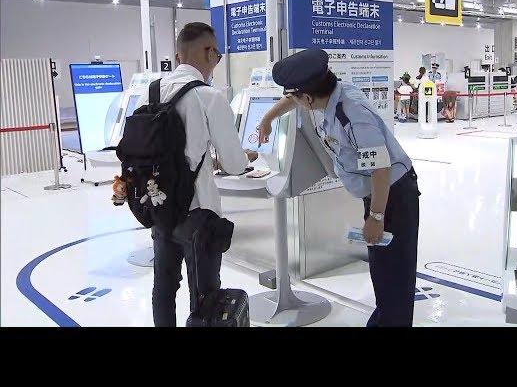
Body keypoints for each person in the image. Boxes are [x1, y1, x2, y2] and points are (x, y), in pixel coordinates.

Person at [257, 49, 420, 327]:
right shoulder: (330, 94)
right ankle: (386, 318)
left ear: (307, 98)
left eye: (297, 98)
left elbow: (379, 168)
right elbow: (290, 99)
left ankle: (393, 320)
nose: (294, 101)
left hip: (393, 196)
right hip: (378, 194)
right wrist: (267, 119)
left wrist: (376, 217)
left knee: (395, 276)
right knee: (382, 273)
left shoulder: (351, 114)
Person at [136, 22, 258, 327]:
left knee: (163, 288)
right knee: (205, 295)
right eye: (216, 55)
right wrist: (246, 158)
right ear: (208, 52)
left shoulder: (149, 94)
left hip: (160, 209)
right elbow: (233, 163)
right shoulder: (209, 96)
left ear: (178, 56)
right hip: (198, 213)